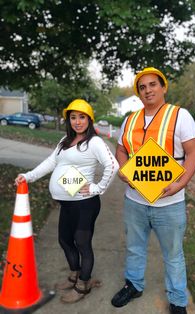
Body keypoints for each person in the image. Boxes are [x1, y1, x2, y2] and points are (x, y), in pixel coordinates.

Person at [111, 67, 195, 314]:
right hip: (135, 201)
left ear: (163, 87)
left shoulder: (180, 116)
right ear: (138, 93)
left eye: (152, 85)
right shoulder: (129, 120)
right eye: (142, 87)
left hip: (170, 204)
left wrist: (180, 184)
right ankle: (134, 285)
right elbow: (121, 150)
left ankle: (177, 301)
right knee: (134, 247)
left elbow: (193, 152)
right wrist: (124, 169)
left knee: (173, 255)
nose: (148, 90)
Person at [15, 99, 119, 304]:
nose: (77, 122)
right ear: (68, 120)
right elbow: (50, 162)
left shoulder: (94, 142)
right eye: (73, 117)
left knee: (82, 243)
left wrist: (98, 188)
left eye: (82, 117)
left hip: (85, 204)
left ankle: (83, 285)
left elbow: (113, 165)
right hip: (67, 203)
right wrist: (28, 176)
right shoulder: (65, 141)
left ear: (89, 119)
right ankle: (75, 275)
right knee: (64, 240)